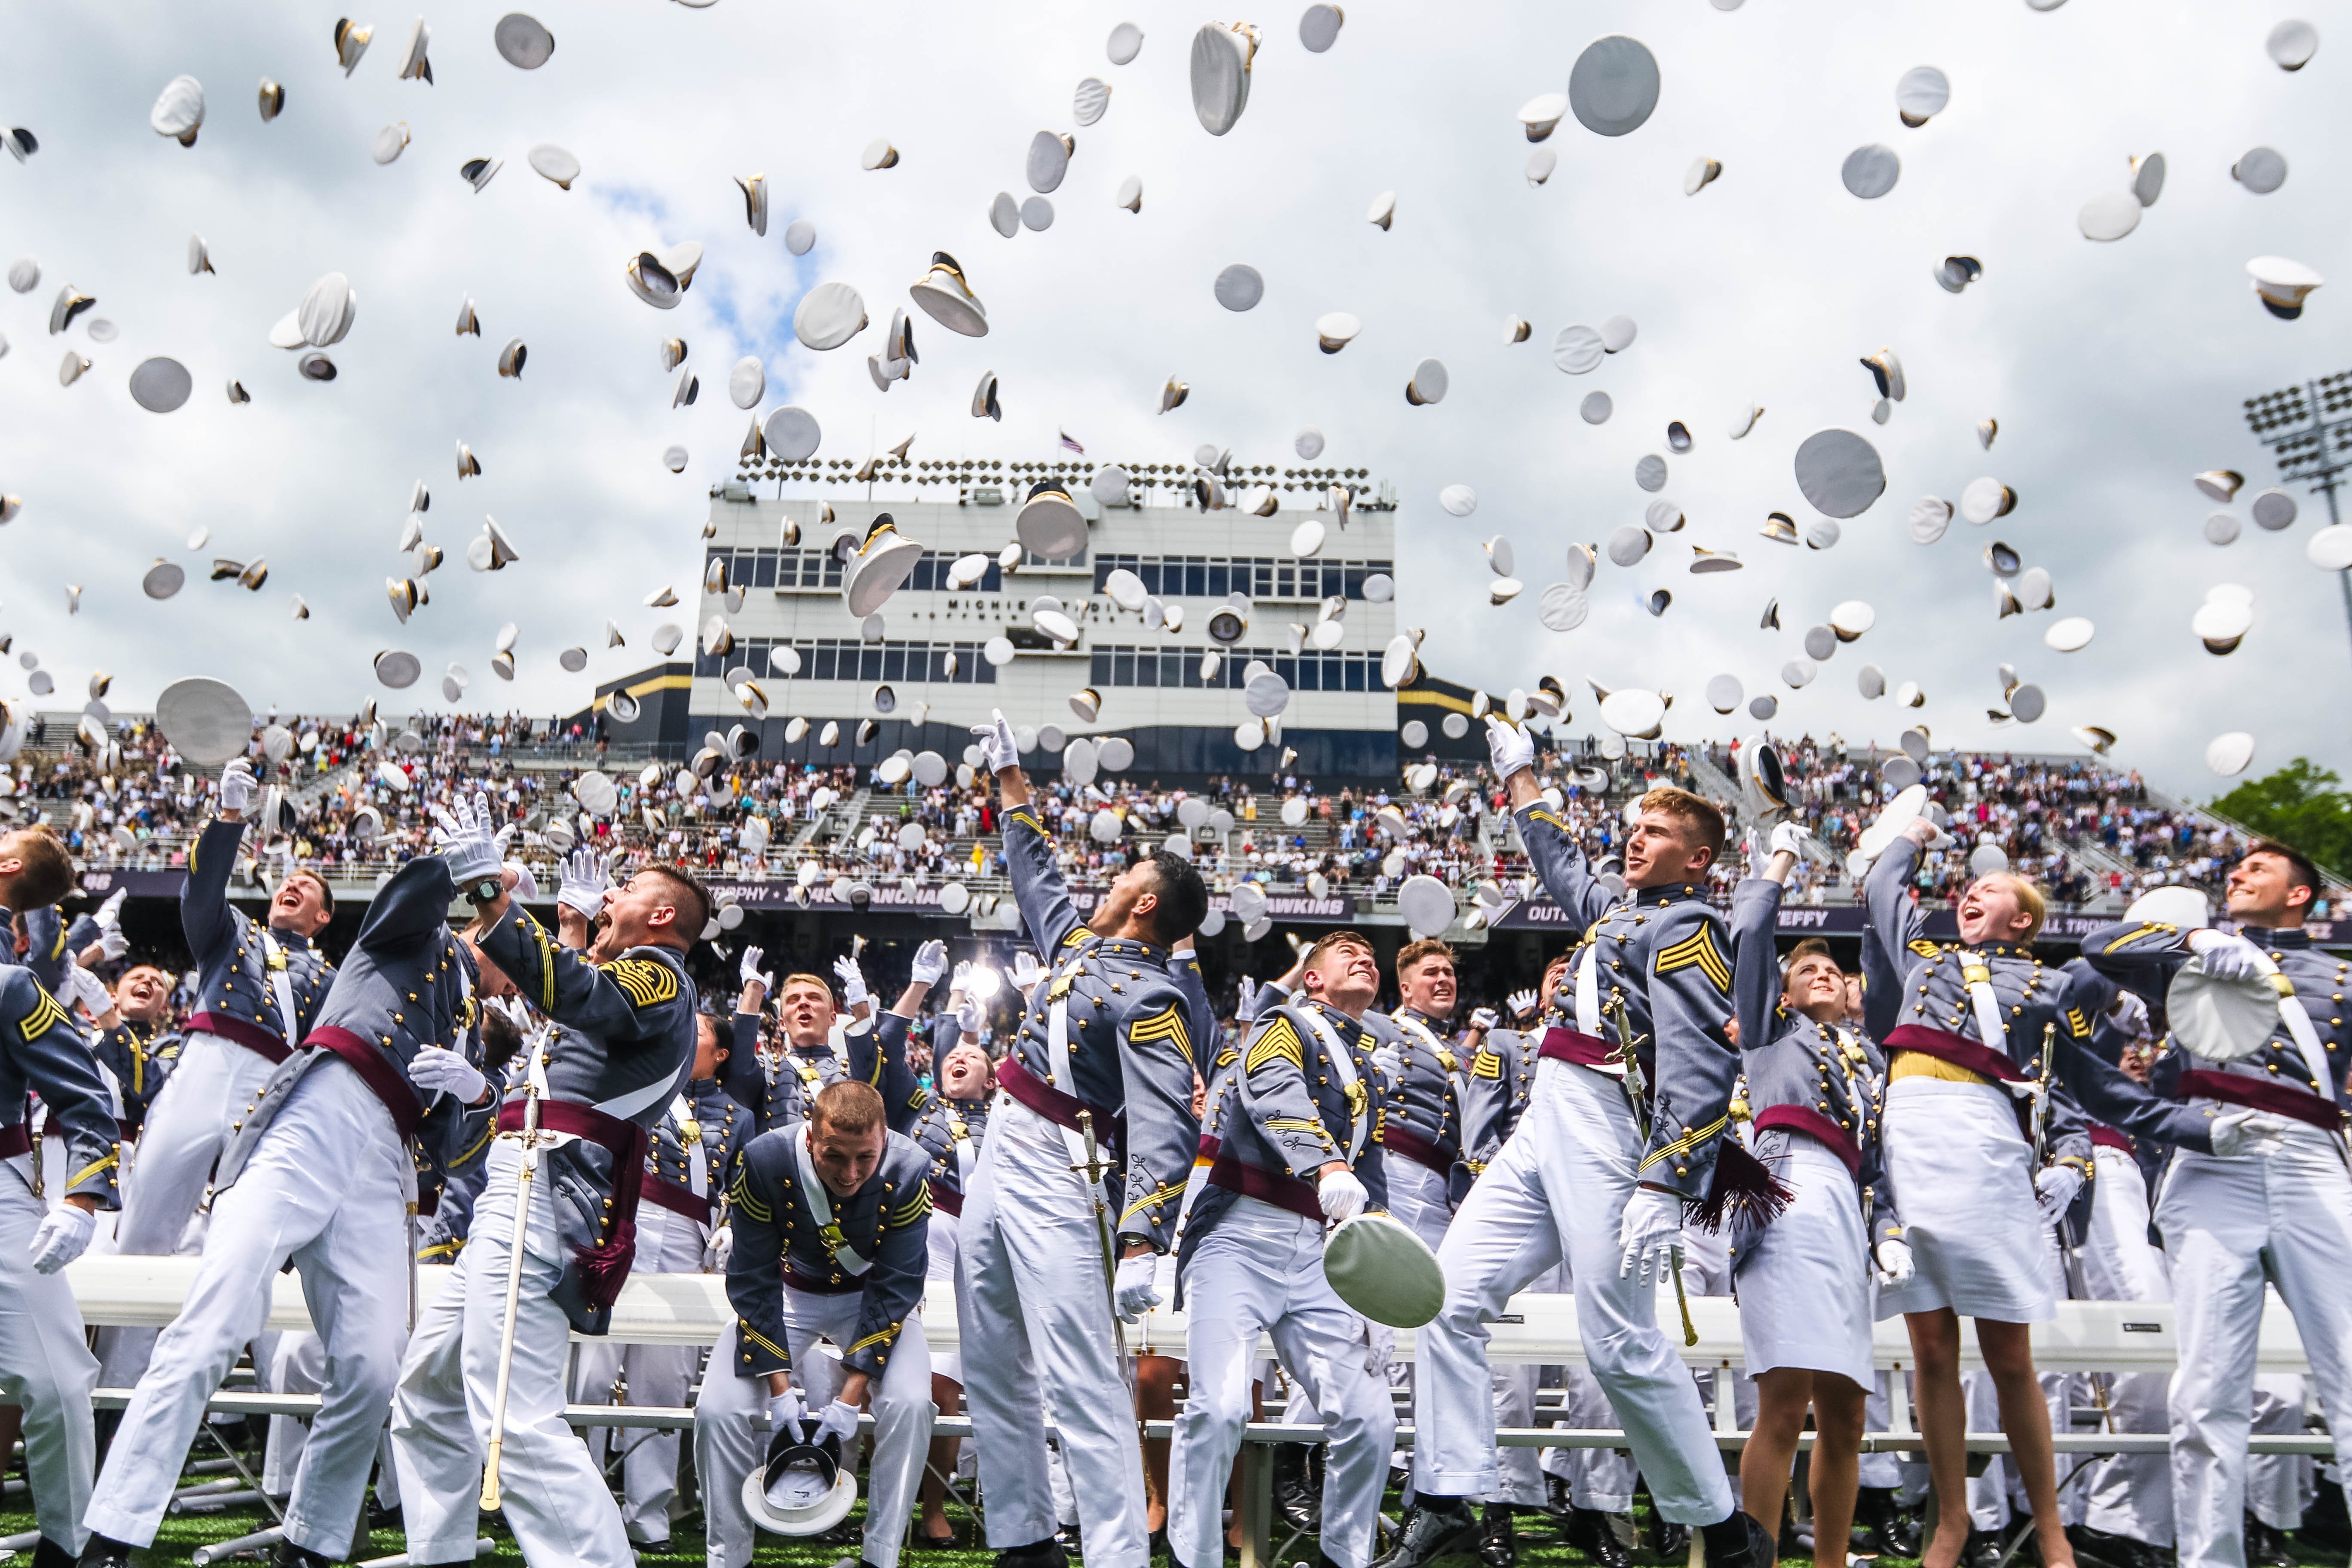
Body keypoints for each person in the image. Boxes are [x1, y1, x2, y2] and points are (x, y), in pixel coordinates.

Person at [1379, 716, 1771, 1568]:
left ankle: (1723, 1528)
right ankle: (1449, 1492)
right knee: (1446, 1297)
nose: (1636, 837)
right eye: (1633, 826)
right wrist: (1523, 779)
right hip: (1546, 1116)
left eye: (1657, 832)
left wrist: (1667, 1183)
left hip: (1604, 1120)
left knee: (1619, 1341)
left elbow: (1704, 1066)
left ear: (1698, 859)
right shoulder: (1620, 912)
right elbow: (1562, 863)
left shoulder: (1691, 928)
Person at [79, 813, 509, 1568]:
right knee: (211, 1323)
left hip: (387, 1161)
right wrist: (459, 869)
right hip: (317, 1111)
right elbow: (406, 896)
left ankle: (312, 1538)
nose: (516, 966)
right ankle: (115, 1528)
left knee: (375, 1367)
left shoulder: (473, 1022)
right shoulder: (412, 939)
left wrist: (477, 1097)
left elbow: (454, 1146)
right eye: (507, 933)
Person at [1862, 817, 2243, 1568]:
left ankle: (2054, 1532)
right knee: (1932, 1348)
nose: (1972, 891)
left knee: (2008, 1356)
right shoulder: (1923, 958)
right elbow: (1879, 885)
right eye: (1968, 886)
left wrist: (2199, 1132)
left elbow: (2095, 1087)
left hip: (1982, 1138)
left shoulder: (2052, 983)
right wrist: (1912, 833)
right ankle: (1952, 1519)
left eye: (1992, 888)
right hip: (1909, 1142)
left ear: (2026, 918)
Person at [389, 831, 705, 1568]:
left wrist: (491, 897)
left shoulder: (658, 973)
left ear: (661, 917)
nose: (612, 895)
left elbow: (588, 999)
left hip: (543, 1187)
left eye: (627, 889)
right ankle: (441, 1551)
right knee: (430, 1385)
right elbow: (568, 1051)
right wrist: (570, 930)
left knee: (515, 1413)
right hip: (525, 1179)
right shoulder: (635, 975)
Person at [958, 708, 1208, 1568]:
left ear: (1146, 903)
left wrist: (1142, 1237)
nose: (1102, 884)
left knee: (1082, 1371)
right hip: (1003, 1139)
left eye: (1122, 879)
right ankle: (1025, 1538)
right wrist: (1010, 783)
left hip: (1070, 1167)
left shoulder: (1155, 997)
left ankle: (1115, 1553)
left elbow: (1170, 1121)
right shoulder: (1075, 944)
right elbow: (1036, 873)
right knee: (989, 1348)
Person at [2077, 839, 2352, 1568]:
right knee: (2207, 1391)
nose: (2236, 874)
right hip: (2212, 1154)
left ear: (2300, 893)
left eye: (2258, 868)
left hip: (2308, 1157)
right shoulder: (2192, 953)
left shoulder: (2341, 974)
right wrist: (2194, 936)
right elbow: (2098, 942)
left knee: (2350, 1371)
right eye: (2235, 868)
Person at [1170, 930, 1395, 1568]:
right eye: (1348, 954)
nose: (1365, 959)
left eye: (1372, 956)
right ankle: (1194, 1559)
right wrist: (1325, 1165)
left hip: (1321, 1255)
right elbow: (1272, 1092)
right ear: (1314, 979)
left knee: (1369, 1418)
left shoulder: (1368, 1068)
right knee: (1218, 1408)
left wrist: (1379, 1290)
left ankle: (1342, 1560)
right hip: (1239, 1238)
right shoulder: (1282, 1023)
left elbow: (1371, 1181)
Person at [1725, 826, 1906, 1566]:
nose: (1821, 972)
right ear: (1784, 990)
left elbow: (1878, 1165)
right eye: (1806, 968)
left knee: (1847, 1409)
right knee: (1783, 1397)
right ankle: (1758, 1559)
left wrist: (1888, 1230)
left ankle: (1829, 1560)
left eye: (1831, 967)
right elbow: (1748, 931)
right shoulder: (1771, 1032)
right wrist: (1781, 861)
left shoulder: (1869, 1062)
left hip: (1845, 1208)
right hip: (1788, 1183)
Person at [696, 1079, 935, 1568]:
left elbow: (896, 1289)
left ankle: (880, 1556)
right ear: (810, 1138)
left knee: (912, 1404)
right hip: (789, 1296)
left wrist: (850, 1401)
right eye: (834, 1156)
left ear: (885, 1138)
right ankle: (728, 1559)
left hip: (870, 1299)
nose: (850, 1174)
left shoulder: (911, 1169)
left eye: (865, 1159)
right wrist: (782, 1392)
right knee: (717, 1409)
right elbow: (752, 1279)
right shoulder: (765, 1159)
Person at [114, 759, 334, 1262]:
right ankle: (120, 1341)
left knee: (259, 1232)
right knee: (148, 1214)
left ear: (321, 917)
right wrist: (230, 817)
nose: (291, 886)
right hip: (204, 1063)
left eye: (306, 887)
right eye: (287, 883)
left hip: (271, 1080)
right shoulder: (231, 929)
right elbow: (201, 892)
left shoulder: (329, 977)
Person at [572, 1002, 752, 1556]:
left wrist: (731, 1228)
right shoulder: (639, 1082)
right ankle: (582, 1498)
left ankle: (648, 1508)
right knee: (588, 1378)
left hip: (685, 1242)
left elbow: (743, 1186)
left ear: (720, 1055)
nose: (683, 1032)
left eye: (697, 1030)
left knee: (663, 1381)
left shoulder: (737, 1115)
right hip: (620, 1224)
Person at [0, 844, 122, 1568]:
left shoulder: (12, 984)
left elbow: (85, 1101)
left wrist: (81, 1196)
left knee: (54, 1378)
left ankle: (69, 1547)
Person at [907, 968, 997, 1548]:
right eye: (952, 1056)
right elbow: (892, 1053)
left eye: (975, 1056)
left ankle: (954, 1502)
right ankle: (919, 1501)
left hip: (986, 1248)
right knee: (927, 1388)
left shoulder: (1009, 1118)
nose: (960, 1059)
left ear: (994, 1078)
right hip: (926, 1247)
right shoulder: (919, 1105)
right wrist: (953, 1002)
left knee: (966, 1387)